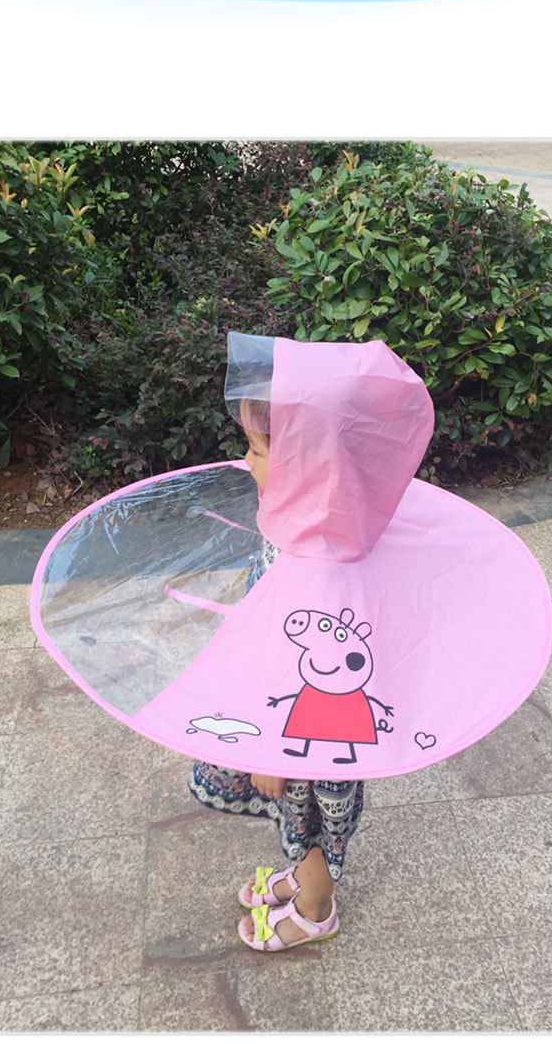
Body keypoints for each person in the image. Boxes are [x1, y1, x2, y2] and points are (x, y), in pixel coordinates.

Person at [189, 397, 363, 951]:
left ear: (302, 470)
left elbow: (302, 671)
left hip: (306, 735)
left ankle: (316, 907)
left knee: (308, 817)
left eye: (257, 450)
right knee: (295, 816)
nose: (246, 460)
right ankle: (304, 875)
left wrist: (272, 753)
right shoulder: (307, 524)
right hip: (288, 720)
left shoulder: (315, 561)